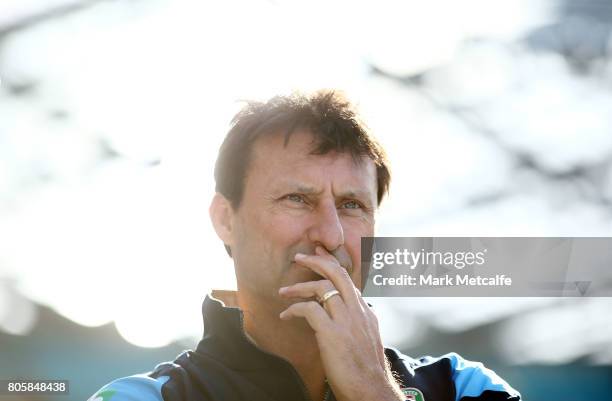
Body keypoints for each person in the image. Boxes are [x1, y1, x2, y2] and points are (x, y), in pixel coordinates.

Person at [88, 90, 521, 401]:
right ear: (225, 219)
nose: (330, 235)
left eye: (352, 205)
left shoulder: (464, 386)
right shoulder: (144, 397)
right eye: (297, 199)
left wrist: (375, 392)